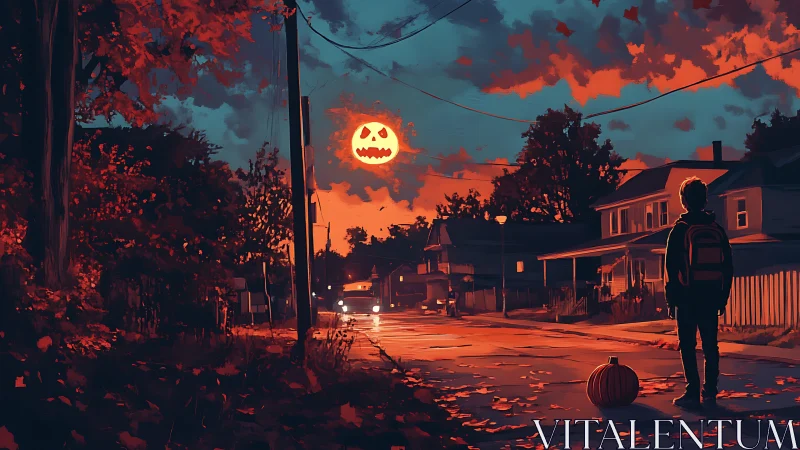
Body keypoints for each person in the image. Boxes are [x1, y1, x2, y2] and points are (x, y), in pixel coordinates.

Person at [665, 176, 733, 410]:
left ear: (684, 201)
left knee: (687, 344)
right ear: (705, 200)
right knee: (710, 345)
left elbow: (671, 268)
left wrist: (671, 300)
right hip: (711, 295)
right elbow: (727, 266)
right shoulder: (717, 229)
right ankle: (710, 391)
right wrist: (722, 297)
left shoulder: (680, 230)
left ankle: (692, 391)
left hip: (687, 296)